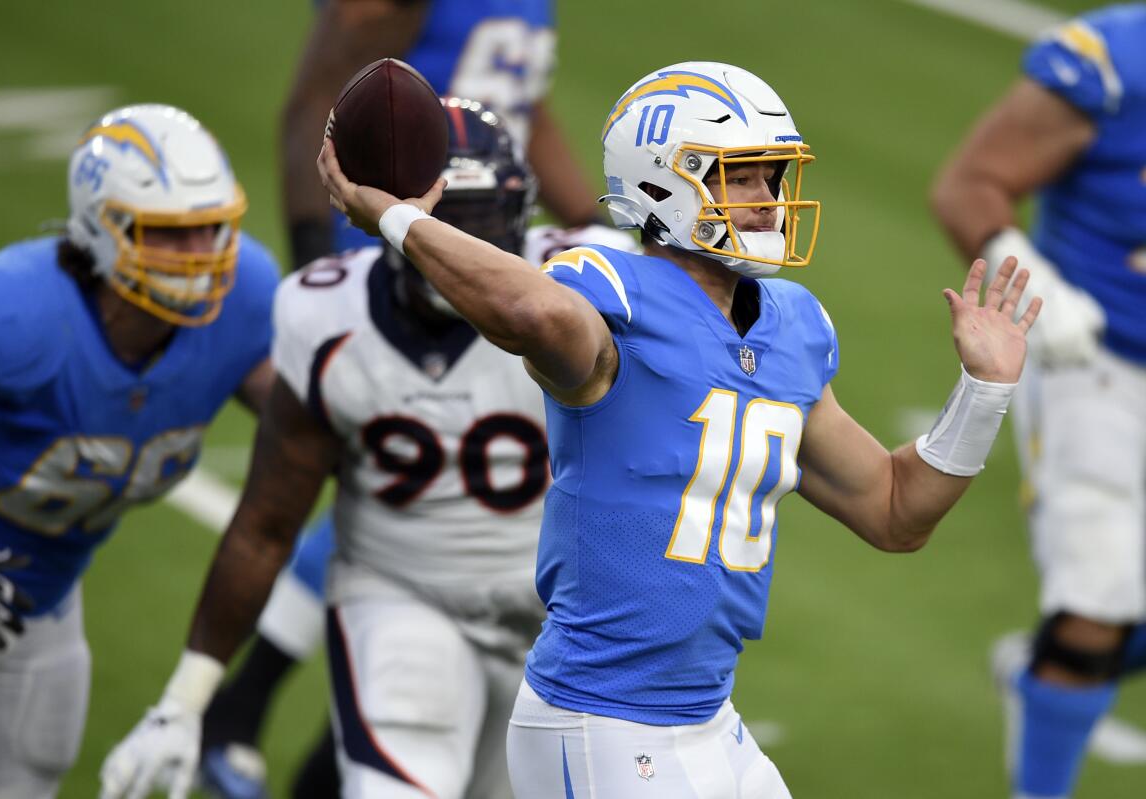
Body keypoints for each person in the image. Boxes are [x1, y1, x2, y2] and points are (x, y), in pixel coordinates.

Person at [116, 59, 1040, 797]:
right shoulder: (609, 289)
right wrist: (395, 218)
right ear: (664, 185)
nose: (766, 196)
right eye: (742, 173)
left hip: (708, 717)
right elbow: (540, 321)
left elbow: (893, 511)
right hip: (605, 723)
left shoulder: (793, 323)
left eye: (772, 173)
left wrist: (984, 393)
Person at [101, 98, 636, 799]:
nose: (466, 242)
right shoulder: (326, 315)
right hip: (406, 597)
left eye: (483, 224)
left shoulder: (587, 287)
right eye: (446, 222)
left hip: (565, 613)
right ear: (396, 217)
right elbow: (268, 521)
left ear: (524, 218)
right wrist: (188, 697)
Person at [0, 103, 278, 797]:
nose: (202, 255)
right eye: (172, 235)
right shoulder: (15, 314)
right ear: (103, 227)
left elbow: (313, 430)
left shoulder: (246, 298)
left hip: (31, 611)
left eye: (213, 228)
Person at [931, 5, 1146, 797]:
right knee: (1095, 603)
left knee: (1104, 621)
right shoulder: (1116, 61)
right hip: (1098, 361)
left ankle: (1042, 667)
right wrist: (1035, 280)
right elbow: (969, 184)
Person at [282, 0, 603, 268]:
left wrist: (594, 228)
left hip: (489, 235)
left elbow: (519, 109)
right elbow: (319, 100)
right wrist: (313, 251)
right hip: (389, 243)